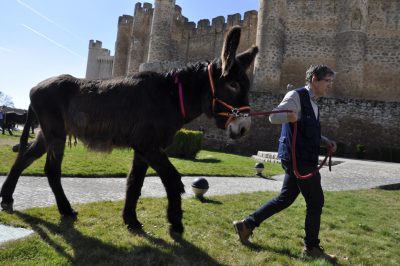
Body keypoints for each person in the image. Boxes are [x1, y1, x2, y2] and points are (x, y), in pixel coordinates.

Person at [233, 65, 338, 263]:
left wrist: (325, 141)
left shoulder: (314, 104)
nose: (330, 86)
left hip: (302, 157)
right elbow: (274, 116)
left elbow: (309, 131)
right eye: (327, 81)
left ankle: (246, 225)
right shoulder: (296, 96)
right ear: (314, 79)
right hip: (299, 159)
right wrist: (289, 116)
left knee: (286, 197)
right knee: (316, 202)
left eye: (331, 82)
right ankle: (312, 247)